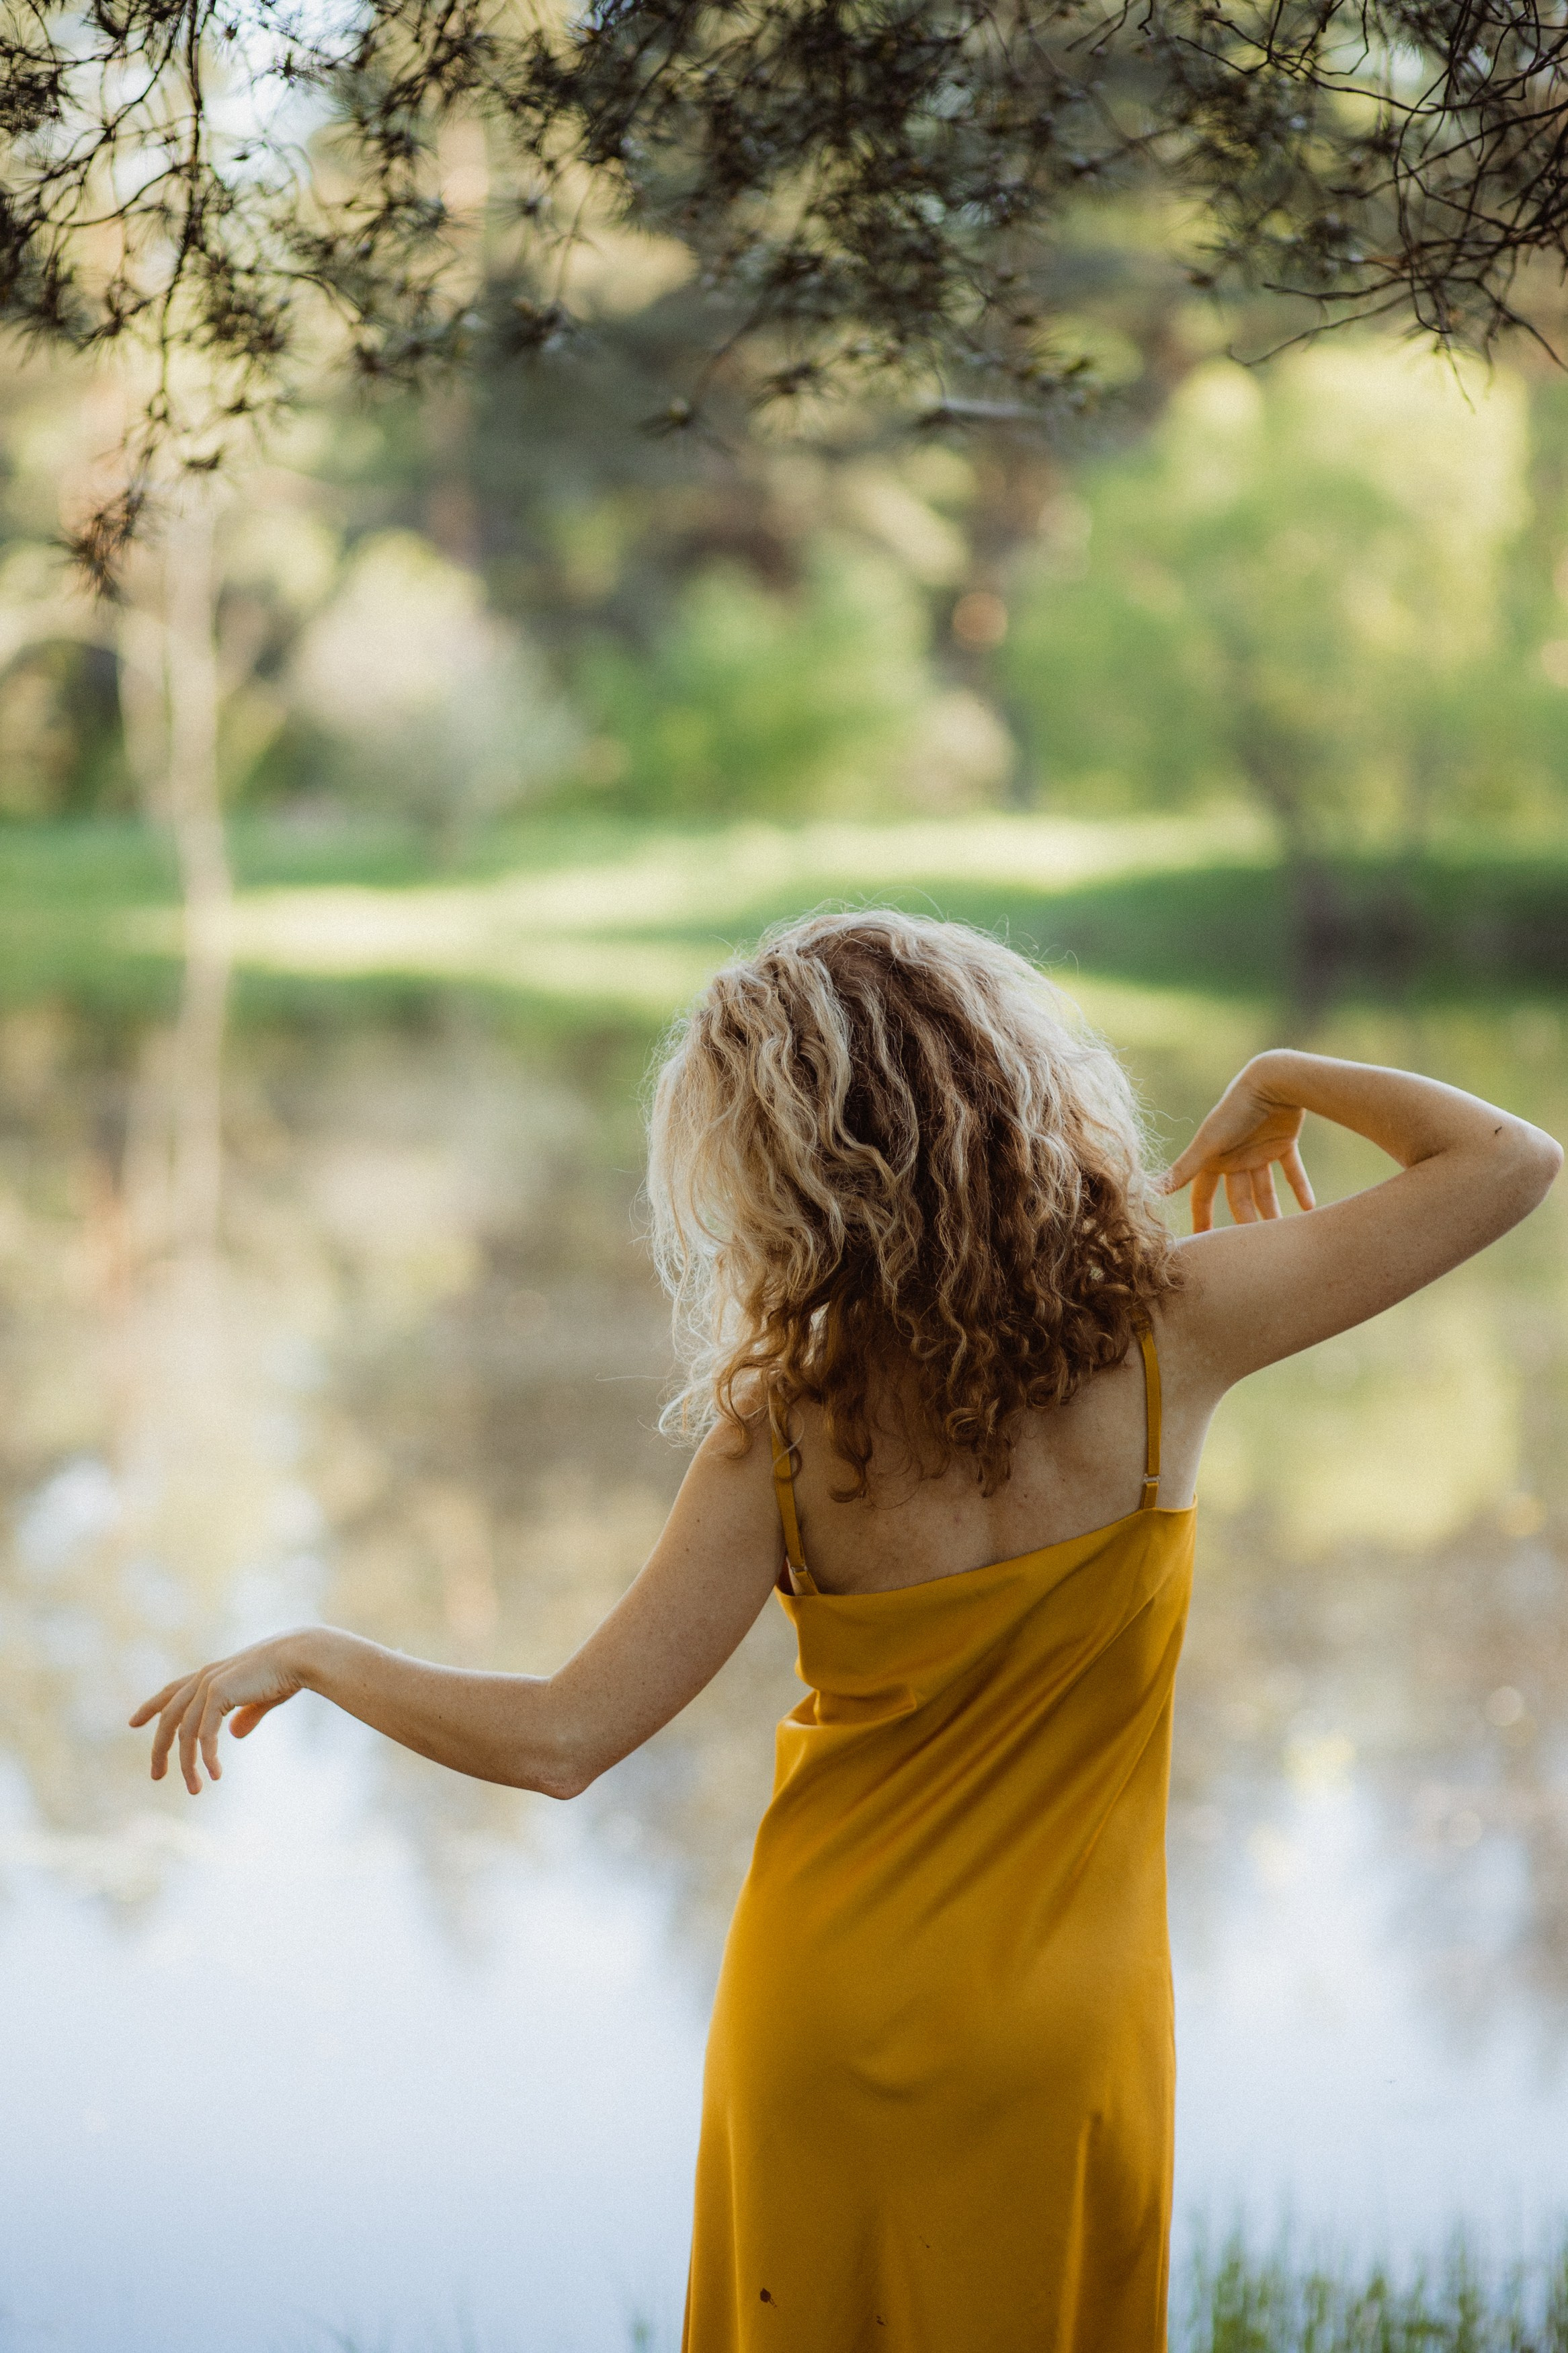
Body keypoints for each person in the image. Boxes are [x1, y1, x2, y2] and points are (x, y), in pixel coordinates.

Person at [131, 912, 1561, 2352]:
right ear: (1001, 1093)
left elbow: (561, 1740)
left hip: (819, 2010)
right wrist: (1283, 1069)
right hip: (1059, 2031)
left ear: (782, 1168)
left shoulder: (790, 1436)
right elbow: (1512, 1162)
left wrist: (319, 1652)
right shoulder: (1165, 1335)